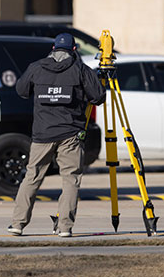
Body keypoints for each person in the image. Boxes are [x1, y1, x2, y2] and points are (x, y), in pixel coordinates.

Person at [7, 32, 106, 237]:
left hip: (42, 134)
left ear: (53, 49)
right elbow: (98, 97)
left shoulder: (36, 67)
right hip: (70, 133)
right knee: (70, 179)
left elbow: (21, 90)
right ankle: (65, 227)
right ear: (74, 50)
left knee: (32, 177)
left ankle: (18, 224)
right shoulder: (81, 69)